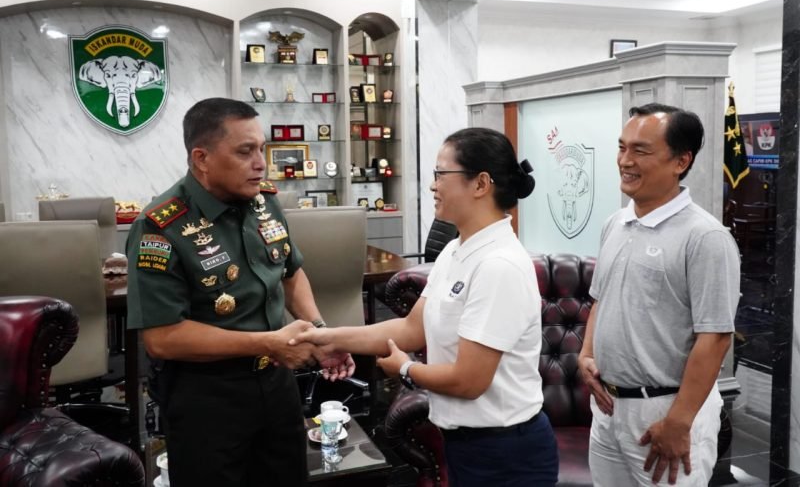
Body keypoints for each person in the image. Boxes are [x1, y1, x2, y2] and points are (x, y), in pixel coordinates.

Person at [291, 127, 559, 486]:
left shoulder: (499, 266)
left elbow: (469, 381)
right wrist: (329, 338)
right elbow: (411, 328)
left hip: (506, 452)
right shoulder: (456, 250)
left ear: (481, 184)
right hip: (468, 444)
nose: (433, 185)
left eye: (440, 174)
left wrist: (406, 369)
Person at [126, 97, 353, 487]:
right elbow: (163, 337)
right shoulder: (161, 226)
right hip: (208, 397)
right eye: (245, 151)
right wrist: (268, 343)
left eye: (261, 149)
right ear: (201, 158)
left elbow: (290, 272)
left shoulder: (263, 202)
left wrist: (319, 331)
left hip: (277, 384)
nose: (261, 163)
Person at [578, 103, 740, 486]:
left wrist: (679, 422)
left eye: (641, 150)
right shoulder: (615, 223)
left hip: (665, 411)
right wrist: (586, 354)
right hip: (608, 409)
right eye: (622, 147)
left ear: (681, 161)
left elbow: (715, 337)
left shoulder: (705, 237)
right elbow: (602, 298)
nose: (625, 160)